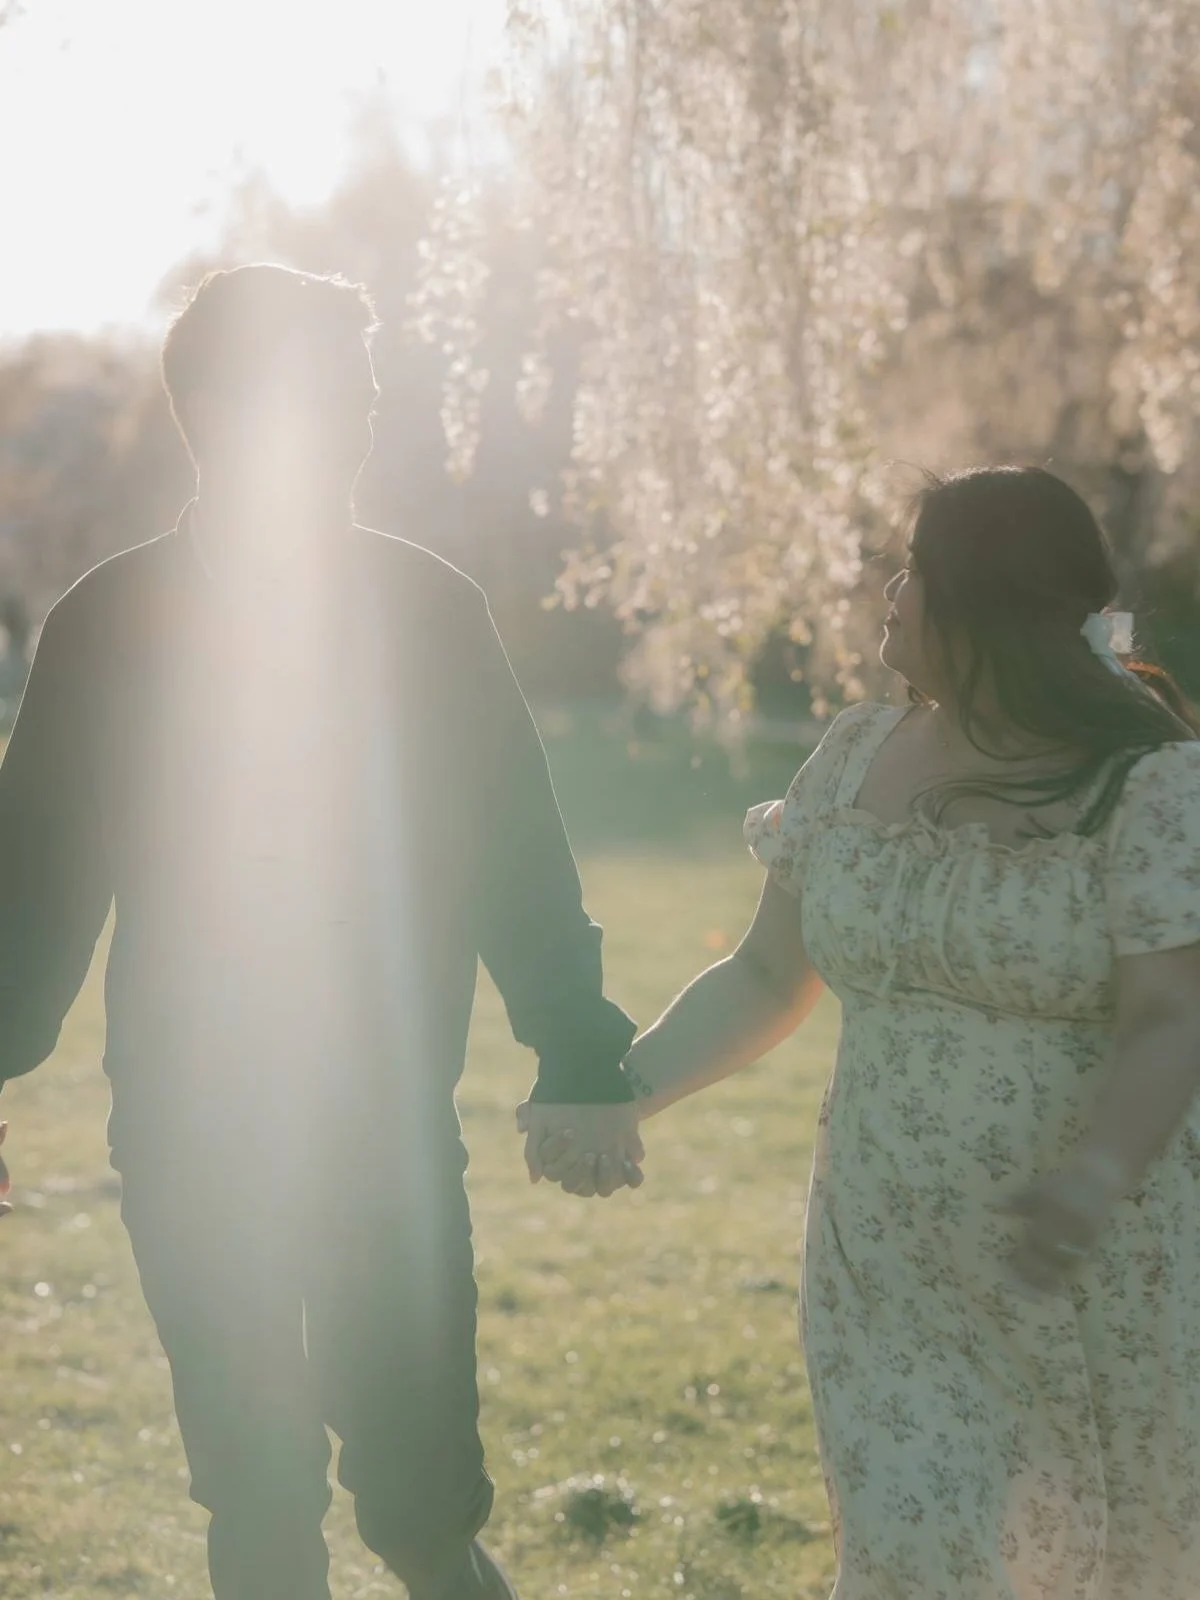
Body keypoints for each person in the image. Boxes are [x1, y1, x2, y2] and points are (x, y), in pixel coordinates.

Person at [0, 263, 645, 1600]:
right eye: (338, 396)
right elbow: (33, 888)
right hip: (185, 1126)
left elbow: (515, 852)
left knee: (419, 1508)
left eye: (366, 396)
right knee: (257, 1497)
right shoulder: (108, 625)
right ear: (228, 414)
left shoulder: (428, 611)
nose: (363, 424)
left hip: (382, 1134)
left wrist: (577, 1051)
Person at [554, 467, 1200, 1597]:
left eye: (917, 566)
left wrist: (1092, 1182)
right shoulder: (854, 756)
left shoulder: (1149, 786)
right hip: (888, 1261)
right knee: (920, 1556)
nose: (892, 589)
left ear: (985, 603)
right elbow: (765, 975)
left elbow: (1168, 1019)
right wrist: (622, 1089)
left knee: (1114, 1560)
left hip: (1095, 1266)